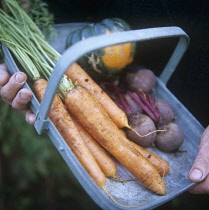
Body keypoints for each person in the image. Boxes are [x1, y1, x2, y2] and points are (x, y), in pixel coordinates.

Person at [1, 0, 209, 204]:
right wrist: (10, 66)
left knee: (121, 144)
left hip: (192, 102)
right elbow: (61, 17)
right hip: (95, 53)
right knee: (105, 145)